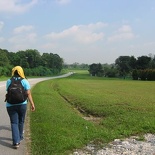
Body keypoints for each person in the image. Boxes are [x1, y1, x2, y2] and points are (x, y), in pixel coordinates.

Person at [5, 66, 35, 149]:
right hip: (22, 104)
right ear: (21, 72)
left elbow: (8, 92)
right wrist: (32, 104)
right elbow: (28, 94)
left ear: (13, 72)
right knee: (21, 121)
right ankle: (20, 136)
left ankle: (16, 142)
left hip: (10, 105)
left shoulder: (9, 81)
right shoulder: (24, 81)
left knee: (14, 122)